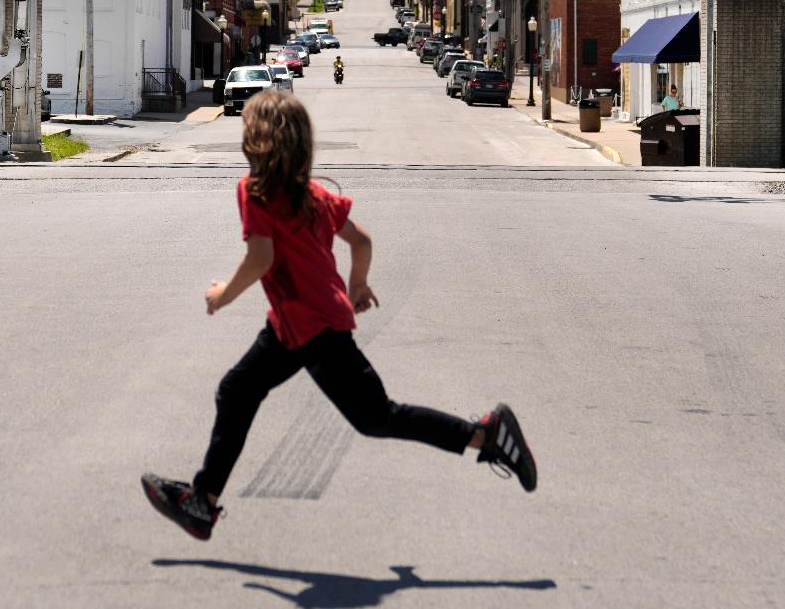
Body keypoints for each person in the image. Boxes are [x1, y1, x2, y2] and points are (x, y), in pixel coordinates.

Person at [142, 89, 537, 541]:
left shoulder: (254, 192)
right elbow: (361, 241)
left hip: (315, 329)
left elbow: (261, 260)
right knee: (237, 392)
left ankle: (488, 434)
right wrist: (358, 284)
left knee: (376, 417)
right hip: (295, 326)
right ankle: (203, 500)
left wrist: (223, 294)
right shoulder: (315, 196)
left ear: (258, 141)